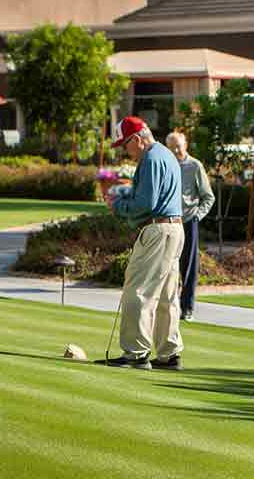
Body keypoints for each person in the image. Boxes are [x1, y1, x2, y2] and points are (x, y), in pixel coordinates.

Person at [106, 117, 184, 370]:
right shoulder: (166, 154)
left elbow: (146, 203)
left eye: (125, 145)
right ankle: (168, 354)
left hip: (158, 229)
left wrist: (118, 205)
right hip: (175, 228)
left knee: (137, 291)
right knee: (166, 296)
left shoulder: (150, 158)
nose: (124, 151)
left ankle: (136, 354)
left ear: (137, 139)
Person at [167, 131, 214, 321]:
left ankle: (187, 308)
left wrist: (197, 216)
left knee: (188, 267)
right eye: (171, 147)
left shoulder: (194, 166)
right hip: (169, 221)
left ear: (185, 144)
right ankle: (167, 307)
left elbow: (208, 196)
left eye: (178, 146)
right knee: (168, 266)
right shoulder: (166, 165)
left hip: (188, 221)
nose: (176, 150)